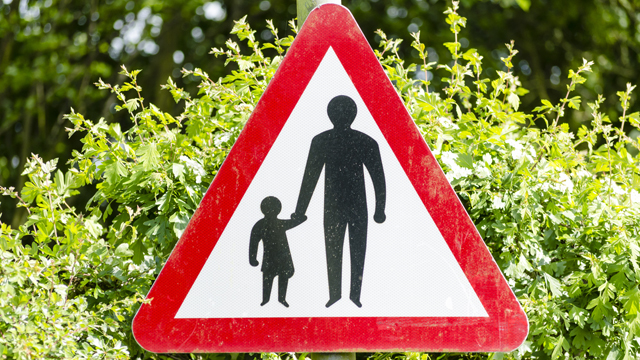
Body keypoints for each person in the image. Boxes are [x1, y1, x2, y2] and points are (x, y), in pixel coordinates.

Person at [292, 95, 386, 308]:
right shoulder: (360, 140)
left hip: (341, 207)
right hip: (343, 207)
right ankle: (343, 295)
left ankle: (350, 296)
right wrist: (379, 209)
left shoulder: (328, 140)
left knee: (343, 249)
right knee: (346, 249)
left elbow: (377, 177)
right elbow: (310, 178)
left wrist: (300, 212)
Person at [249, 196, 306, 307]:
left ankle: (282, 299)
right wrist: (252, 258)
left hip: (282, 258)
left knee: (282, 278)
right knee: (268, 279)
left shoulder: (278, 223)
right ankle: (265, 300)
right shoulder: (260, 225)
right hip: (270, 258)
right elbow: (253, 242)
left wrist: (300, 218)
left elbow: (293, 223)